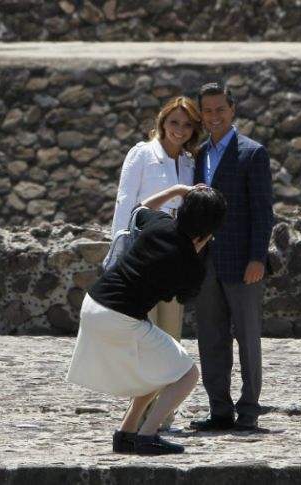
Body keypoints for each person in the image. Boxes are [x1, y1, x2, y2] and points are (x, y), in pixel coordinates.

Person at [68, 185, 227, 455]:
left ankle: (126, 433)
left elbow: (141, 208)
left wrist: (176, 190)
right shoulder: (190, 264)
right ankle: (148, 434)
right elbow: (183, 297)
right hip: (119, 316)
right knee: (187, 374)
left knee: (160, 367)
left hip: (94, 302)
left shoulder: (160, 224)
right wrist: (198, 249)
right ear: (209, 231)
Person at [109, 96, 204, 431]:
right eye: (174, 122)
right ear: (163, 122)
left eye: (187, 124)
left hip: (176, 258)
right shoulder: (142, 154)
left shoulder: (191, 163)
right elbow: (125, 201)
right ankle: (137, 417)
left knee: (170, 337)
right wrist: (119, 247)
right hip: (144, 256)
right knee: (144, 338)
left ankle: (162, 414)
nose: (180, 129)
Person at [189, 82, 274, 432]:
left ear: (232, 108)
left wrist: (258, 258)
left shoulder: (253, 153)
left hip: (242, 262)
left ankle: (250, 409)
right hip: (205, 261)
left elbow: (263, 211)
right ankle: (219, 410)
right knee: (211, 337)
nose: (214, 116)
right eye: (207, 111)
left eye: (220, 109)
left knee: (248, 338)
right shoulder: (199, 154)